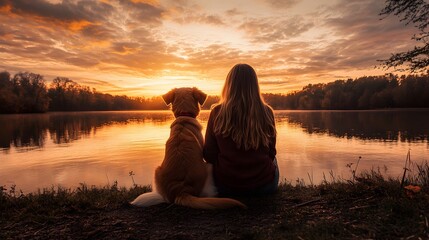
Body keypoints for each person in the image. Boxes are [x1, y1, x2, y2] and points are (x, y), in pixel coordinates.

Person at [203, 63, 279, 196]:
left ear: (229, 85)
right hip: (264, 187)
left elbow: (209, 154)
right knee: (274, 161)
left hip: (226, 187)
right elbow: (271, 152)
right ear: (255, 86)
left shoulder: (217, 112)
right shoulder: (267, 112)